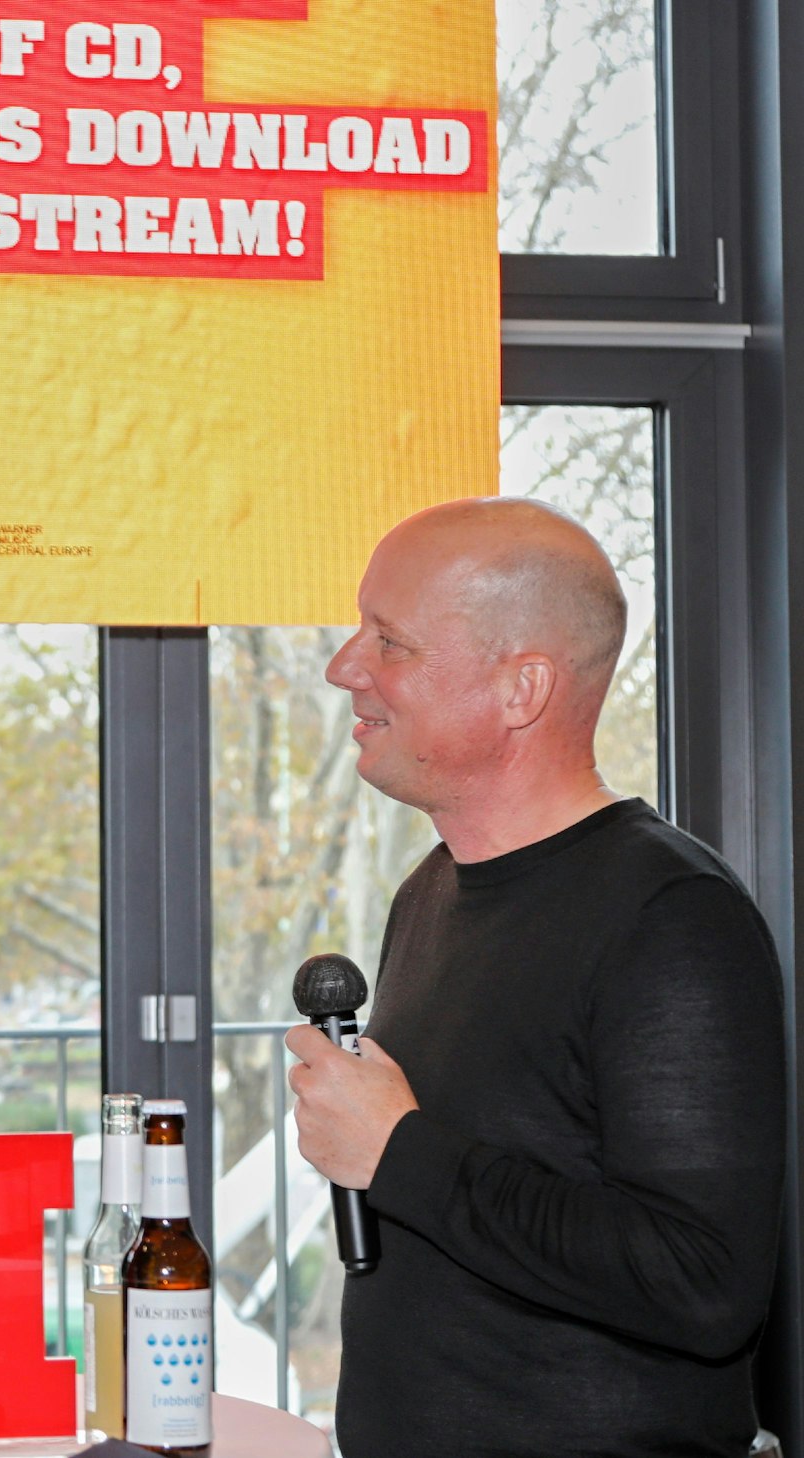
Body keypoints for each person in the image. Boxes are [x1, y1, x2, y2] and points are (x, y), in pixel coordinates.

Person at [286, 498, 786, 1457]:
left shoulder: (671, 917)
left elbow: (702, 1282)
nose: (345, 667)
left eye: (390, 642)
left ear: (523, 690)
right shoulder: (428, 893)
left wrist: (400, 1153)